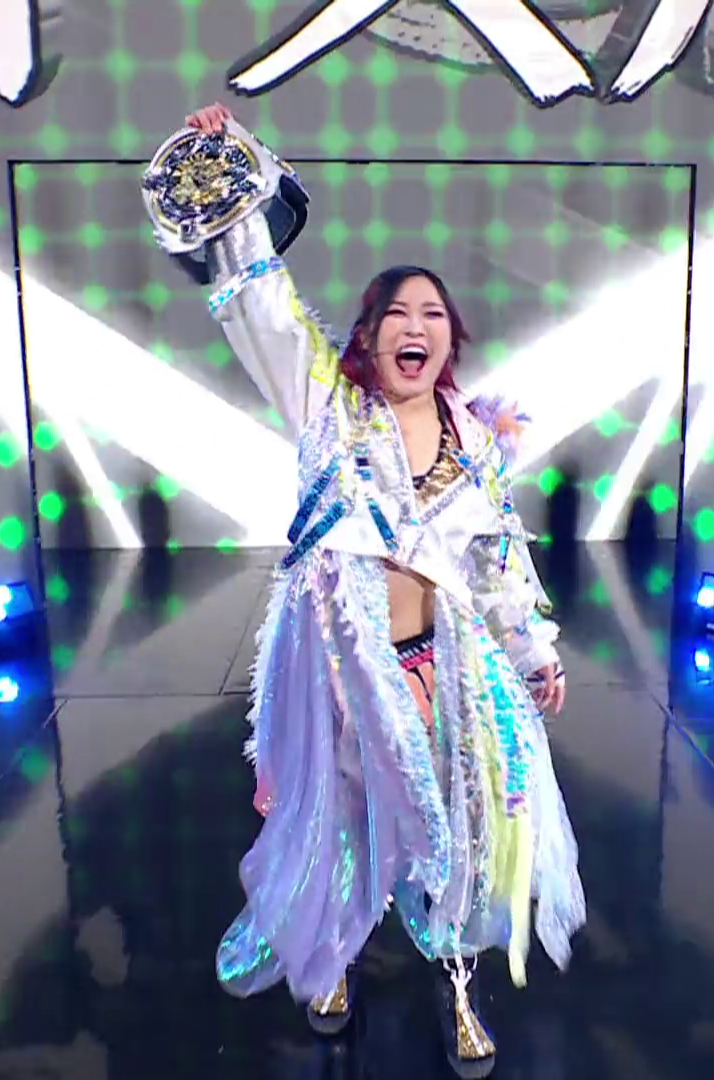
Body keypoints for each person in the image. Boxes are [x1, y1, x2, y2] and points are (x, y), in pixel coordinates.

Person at [168, 102, 586, 1078]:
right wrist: (226, 178)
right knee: (341, 827)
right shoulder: (330, 405)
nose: (416, 325)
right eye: (397, 312)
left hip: (449, 676)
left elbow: (497, 559)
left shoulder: (475, 437)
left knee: (462, 830)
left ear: (450, 339)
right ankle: (330, 960)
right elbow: (266, 311)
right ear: (366, 334)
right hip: (343, 676)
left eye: (432, 314)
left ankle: (457, 981)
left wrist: (534, 652)